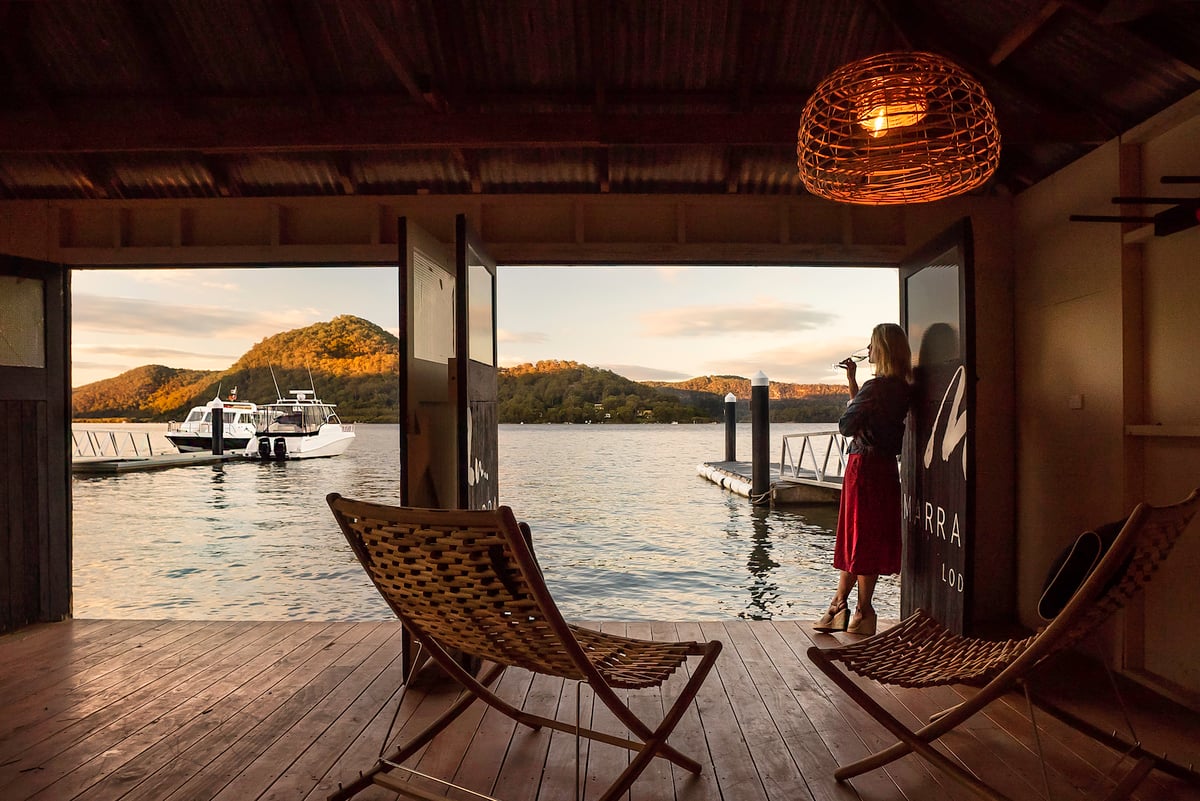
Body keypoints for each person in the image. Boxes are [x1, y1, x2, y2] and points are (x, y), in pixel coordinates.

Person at [814, 322, 912, 636]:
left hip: (863, 467)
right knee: (869, 537)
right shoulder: (900, 387)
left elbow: (846, 425)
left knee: (856, 536)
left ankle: (845, 608)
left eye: (871, 345)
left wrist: (857, 395)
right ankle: (856, 610)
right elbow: (869, 414)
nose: (868, 350)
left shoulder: (877, 386)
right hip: (884, 468)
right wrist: (852, 381)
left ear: (881, 349)